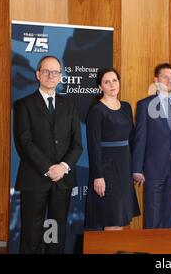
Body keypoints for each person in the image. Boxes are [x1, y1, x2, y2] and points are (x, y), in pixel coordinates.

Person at [13, 55, 83, 253]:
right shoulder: (24, 105)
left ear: (60, 76)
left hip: (63, 181)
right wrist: (48, 168)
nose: (51, 75)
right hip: (35, 179)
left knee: (55, 234)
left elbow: (77, 144)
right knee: (31, 235)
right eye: (46, 71)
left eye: (55, 72)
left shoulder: (69, 106)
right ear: (38, 74)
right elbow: (25, 143)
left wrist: (62, 167)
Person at [132, 63, 171, 228]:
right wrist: (137, 168)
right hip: (153, 168)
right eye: (165, 77)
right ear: (156, 80)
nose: (169, 81)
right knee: (153, 217)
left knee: (169, 215)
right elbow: (140, 138)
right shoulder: (144, 105)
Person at [85, 68, 140, 230]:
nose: (111, 85)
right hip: (106, 170)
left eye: (114, 80)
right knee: (112, 219)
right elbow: (93, 146)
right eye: (106, 82)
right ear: (100, 86)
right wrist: (98, 176)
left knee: (121, 219)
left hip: (124, 169)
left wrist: (136, 167)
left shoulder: (126, 107)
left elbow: (132, 139)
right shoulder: (96, 111)